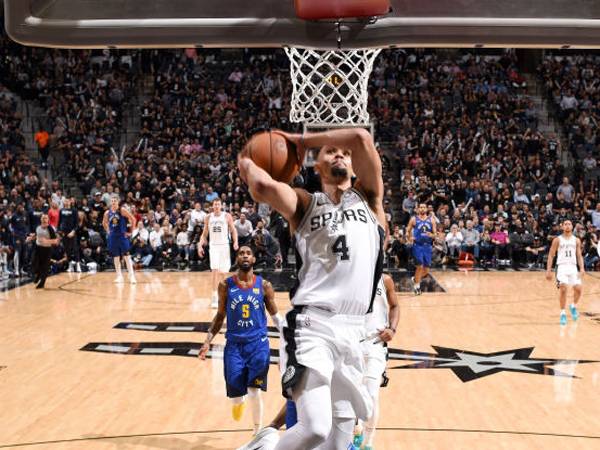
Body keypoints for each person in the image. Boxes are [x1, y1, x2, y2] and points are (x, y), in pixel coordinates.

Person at [238, 127, 386, 450]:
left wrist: (305, 142)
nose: (340, 155)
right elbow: (262, 185)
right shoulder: (306, 204)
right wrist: (245, 161)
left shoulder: (371, 199)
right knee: (315, 428)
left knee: (337, 444)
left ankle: (265, 443)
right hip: (313, 326)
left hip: (356, 333)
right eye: (330, 152)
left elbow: (361, 138)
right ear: (315, 166)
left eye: (343, 153)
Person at [199, 246, 281, 435]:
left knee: (254, 390)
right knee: (237, 397)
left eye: (248, 253)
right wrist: (206, 341)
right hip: (234, 346)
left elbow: (276, 317)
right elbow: (220, 316)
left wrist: (288, 340)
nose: (245, 255)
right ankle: (239, 401)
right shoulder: (226, 285)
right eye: (241, 253)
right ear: (237, 258)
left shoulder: (264, 285)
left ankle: (257, 431)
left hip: (258, 344)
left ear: (253, 259)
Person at [352, 273, 399, 450]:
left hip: (375, 343)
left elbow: (395, 306)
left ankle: (368, 442)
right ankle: (357, 431)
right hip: (352, 344)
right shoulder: (350, 276)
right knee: (353, 393)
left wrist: (392, 329)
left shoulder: (385, 279)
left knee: (371, 394)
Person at [198, 198, 239, 307]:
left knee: (224, 272)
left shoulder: (227, 216)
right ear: (212, 206)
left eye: (218, 204)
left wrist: (235, 242)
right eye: (215, 204)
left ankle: (224, 294)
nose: (216, 206)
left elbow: (233, 230)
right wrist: (199, 245)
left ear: (221, 205)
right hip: (214, 246)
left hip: (225, 246)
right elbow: (204, 233)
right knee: (215, 270)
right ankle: (214, 297)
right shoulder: (208, 217)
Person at [546, 219, 584, 325]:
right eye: (565, 224)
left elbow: (579, 255)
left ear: (572, 227)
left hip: (572, 267)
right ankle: (562, 313)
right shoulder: (557, 240)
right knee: (563, 289)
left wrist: (582, 268)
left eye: (569, 224)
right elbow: (551, 255)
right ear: (562, 227)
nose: (567, 226)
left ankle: (573, 306)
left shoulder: (576, 240)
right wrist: (548, 270)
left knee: (579, 289)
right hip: (562, 267)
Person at [102, 196, 137, 283]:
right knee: (116, 257)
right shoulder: (107, 212)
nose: (113, 202)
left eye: (115, 201)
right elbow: (104, 223)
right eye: (112, 201)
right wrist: (108, 231)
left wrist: (131, 232)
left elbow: (133, 219)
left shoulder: (122, 210)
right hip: (113, 237)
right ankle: (119, 276)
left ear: (118, 202)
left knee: (127, 256)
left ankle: (131, 275)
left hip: (122, 236)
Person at [406, 203, 435, 295]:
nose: (422, 209)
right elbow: (407, 230)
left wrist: (432, 235)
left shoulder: (432, 220)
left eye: (424, 207)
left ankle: (415, 279)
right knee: (420, 266)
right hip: (417, 245)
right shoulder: (414, 219)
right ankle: (416, 287)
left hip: (428, 246)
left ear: (426, 209)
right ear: (418, 209)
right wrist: (409, 237)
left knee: (426, 270)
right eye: (420, 207)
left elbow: (435, 234)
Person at [32, 214, 60, 289]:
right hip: (38, 248)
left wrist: (46, 241)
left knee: (44, 267)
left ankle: (42, 283)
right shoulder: (38, 227)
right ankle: (38, 275)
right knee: (34, 263)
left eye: (46, 218)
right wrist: (31, 238)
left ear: (48, 220)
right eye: (43, 218)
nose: (44, 220)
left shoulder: (50, 228)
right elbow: (36, 235)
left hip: (47, 250)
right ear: (41, 219)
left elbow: (55, 241)